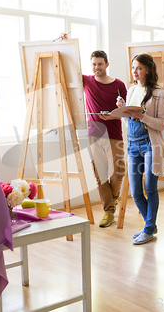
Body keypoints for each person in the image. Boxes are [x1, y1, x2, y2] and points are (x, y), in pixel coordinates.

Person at [58, 33, 127, 228]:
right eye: (94, 65)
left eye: (100, 64)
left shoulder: (119, 84)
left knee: (118, 172)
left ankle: (112, 199)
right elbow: (69, 68)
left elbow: (126, 111)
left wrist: (115, 113)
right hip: (94, 134)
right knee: (100, 173)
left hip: (114, 133)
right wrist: (65, 45)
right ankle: (109, 210)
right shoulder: (87, 81)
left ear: (107, 64)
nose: (96, 68)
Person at [117, 53, 164, 245]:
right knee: (136, 191)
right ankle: (150, 225)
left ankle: (148, 229)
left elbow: (163, 124)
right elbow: (127, 121)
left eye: (138, 68)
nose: (135, 72)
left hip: (149, 144)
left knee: (150, 188)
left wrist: (142, 116)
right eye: (133, 68)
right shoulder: (131, 90)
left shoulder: (158, 93)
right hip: (132, 145)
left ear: (147, 69)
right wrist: (123, 109)